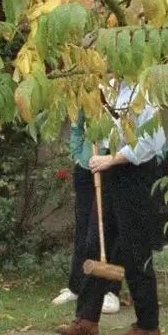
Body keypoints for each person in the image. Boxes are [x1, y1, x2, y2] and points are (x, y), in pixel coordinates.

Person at [55, 80, 168, 335]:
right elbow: (101, 129)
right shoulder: (107, 89)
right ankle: (87, 320)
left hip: (136, 172)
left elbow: (148, 144)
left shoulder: (147, 91)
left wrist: (112, 159)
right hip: (111, 169)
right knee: (96, 242)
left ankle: (148, 324)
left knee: (134, 248)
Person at [51, 111, 120, 316]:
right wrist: (77, 154)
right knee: (83, 228)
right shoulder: (88, 91)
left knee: (108, 228)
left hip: (111, 163)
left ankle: (110, 291)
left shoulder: (121, 94)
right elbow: (77, 125)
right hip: (85, 166)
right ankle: (77, 286)